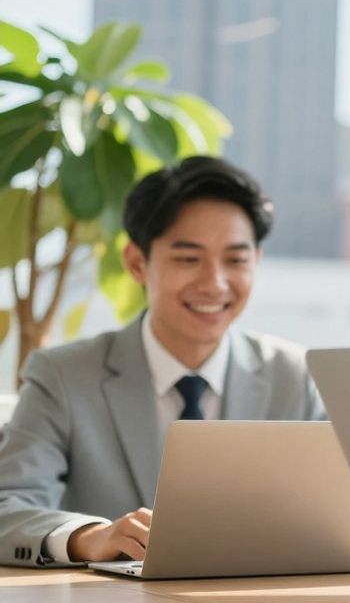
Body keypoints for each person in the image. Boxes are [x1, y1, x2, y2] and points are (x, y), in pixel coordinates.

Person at [0, 156, 324, 567]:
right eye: (188, 259)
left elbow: (340, 516)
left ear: (256, 261)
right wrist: (90, 537)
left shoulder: (296, 376)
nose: (215, 283)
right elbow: (7, 506)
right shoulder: (63, 376)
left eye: (236, 260)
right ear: (137, 262)